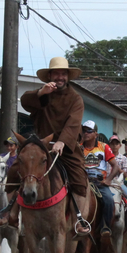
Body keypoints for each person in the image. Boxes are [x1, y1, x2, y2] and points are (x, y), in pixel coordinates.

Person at [19, 56, 90, 203]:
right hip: (41, 146)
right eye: (56, 73)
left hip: (66, 148)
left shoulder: (75, 98)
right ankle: (10, 212)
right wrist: (41, 92)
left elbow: (73, 123)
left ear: (67, 76)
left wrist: (62, 141)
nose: (60, 77)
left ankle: (79, 214)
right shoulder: (43, 94)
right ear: (50, 75)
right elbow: (25, 101)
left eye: (63, 74)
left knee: (79, 181)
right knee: (13, 172)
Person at [82, 121, 115, 236]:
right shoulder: (78, 147)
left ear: (96, 134)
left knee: (109, 200)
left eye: (89, 131)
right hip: (82, 182)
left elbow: (115, 166)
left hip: (99, 183)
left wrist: (108, 180)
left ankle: (106, 226)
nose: (86, 133)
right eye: (84, 130)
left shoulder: (104, 146)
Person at [108, 133, 127, 225]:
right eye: (112, 144)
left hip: (119, 183)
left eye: (116, 144)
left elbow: (125, 174)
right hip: (107, 182)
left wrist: (116, 168)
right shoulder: (106, 156)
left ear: (120, 146)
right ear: (109, 145)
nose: (114, 146)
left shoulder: (123, 158)